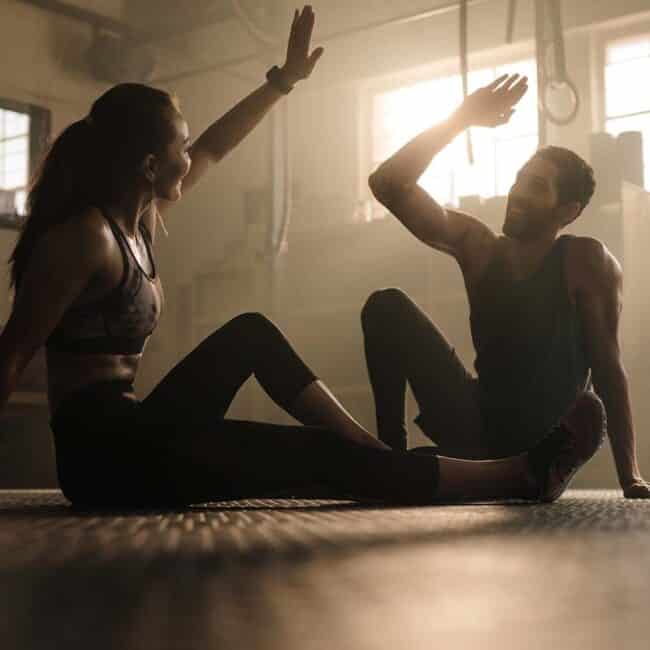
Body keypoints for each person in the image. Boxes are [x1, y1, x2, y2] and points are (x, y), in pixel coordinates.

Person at [0, 9, 603, 509]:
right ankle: (517, 476)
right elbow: (12, 354)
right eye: (178, 146)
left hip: (138, 430)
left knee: (250, 334)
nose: (192, 153)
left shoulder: (140, 217)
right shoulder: (87, 238)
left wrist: (282, 82)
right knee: (317, 458)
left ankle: (371, 452)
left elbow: (215, 144)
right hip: (105, 463)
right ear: (149, 166)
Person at [364, 73, 649, 499]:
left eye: (536, 187)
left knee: (588, 404)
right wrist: (460, 119)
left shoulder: (584, 259)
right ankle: (390, 460)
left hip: (543, 438)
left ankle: (530, 472)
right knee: (385, 306)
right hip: (478, 426)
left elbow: (608, 367)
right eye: (519, 179)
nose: (516, 193)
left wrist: (631, 477)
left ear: (567, 211)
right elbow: (387, 184)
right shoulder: (479, 247)